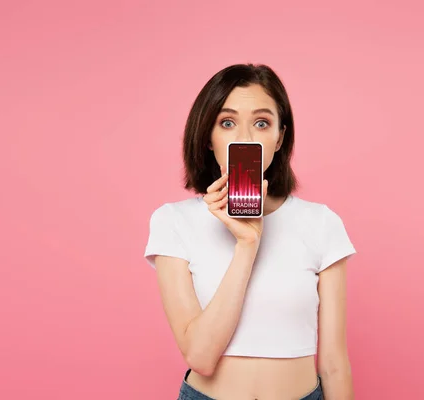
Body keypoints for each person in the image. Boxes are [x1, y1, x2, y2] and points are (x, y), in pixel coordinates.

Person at [143, 63, 357, 400]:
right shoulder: (173, 222)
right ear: (208, 138)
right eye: (227, 123)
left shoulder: (321, 223)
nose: (245, 138)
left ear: (280, 136)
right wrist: (247, 243)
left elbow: (333, 363)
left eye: (261, 123)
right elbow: (200, 356)